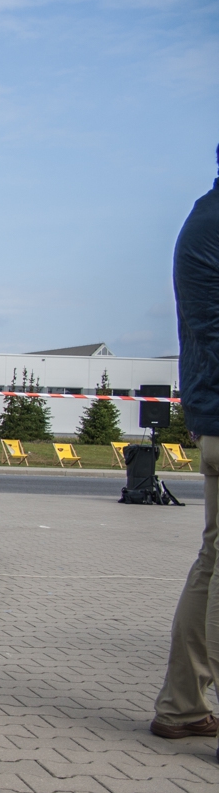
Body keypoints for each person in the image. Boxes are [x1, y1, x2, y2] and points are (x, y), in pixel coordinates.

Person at [152, 146, 219, 755]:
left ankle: (183, 703)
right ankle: (183, 703)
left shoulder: (204, 219)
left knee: (213, 560)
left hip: (213, 410)